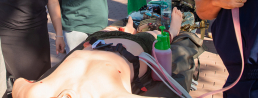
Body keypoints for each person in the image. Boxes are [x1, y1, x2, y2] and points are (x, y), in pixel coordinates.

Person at [12, 8, 184, 98]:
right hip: (135, 45)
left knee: (114, 28)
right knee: (157, 36)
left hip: (98, 39)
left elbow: (18, 84)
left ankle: (128, 28)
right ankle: (173, 30)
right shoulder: (108, 94)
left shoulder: (37, 93)